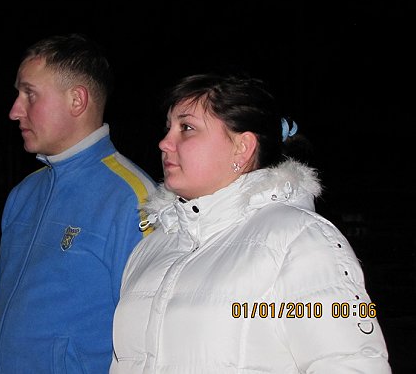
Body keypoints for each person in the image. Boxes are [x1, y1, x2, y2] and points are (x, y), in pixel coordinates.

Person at [110, 71, 392, 373]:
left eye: (187, 128)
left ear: (242, 147)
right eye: (168, 128)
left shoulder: (300, 241)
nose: (164, 143)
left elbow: (352, 364)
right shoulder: (150, 248)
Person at [0, 33, 156, 374]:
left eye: (30, 94)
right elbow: (0, 305)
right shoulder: (23, 194)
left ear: (77, 100)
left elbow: (150, 335)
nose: (15, 111)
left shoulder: (134, 200)